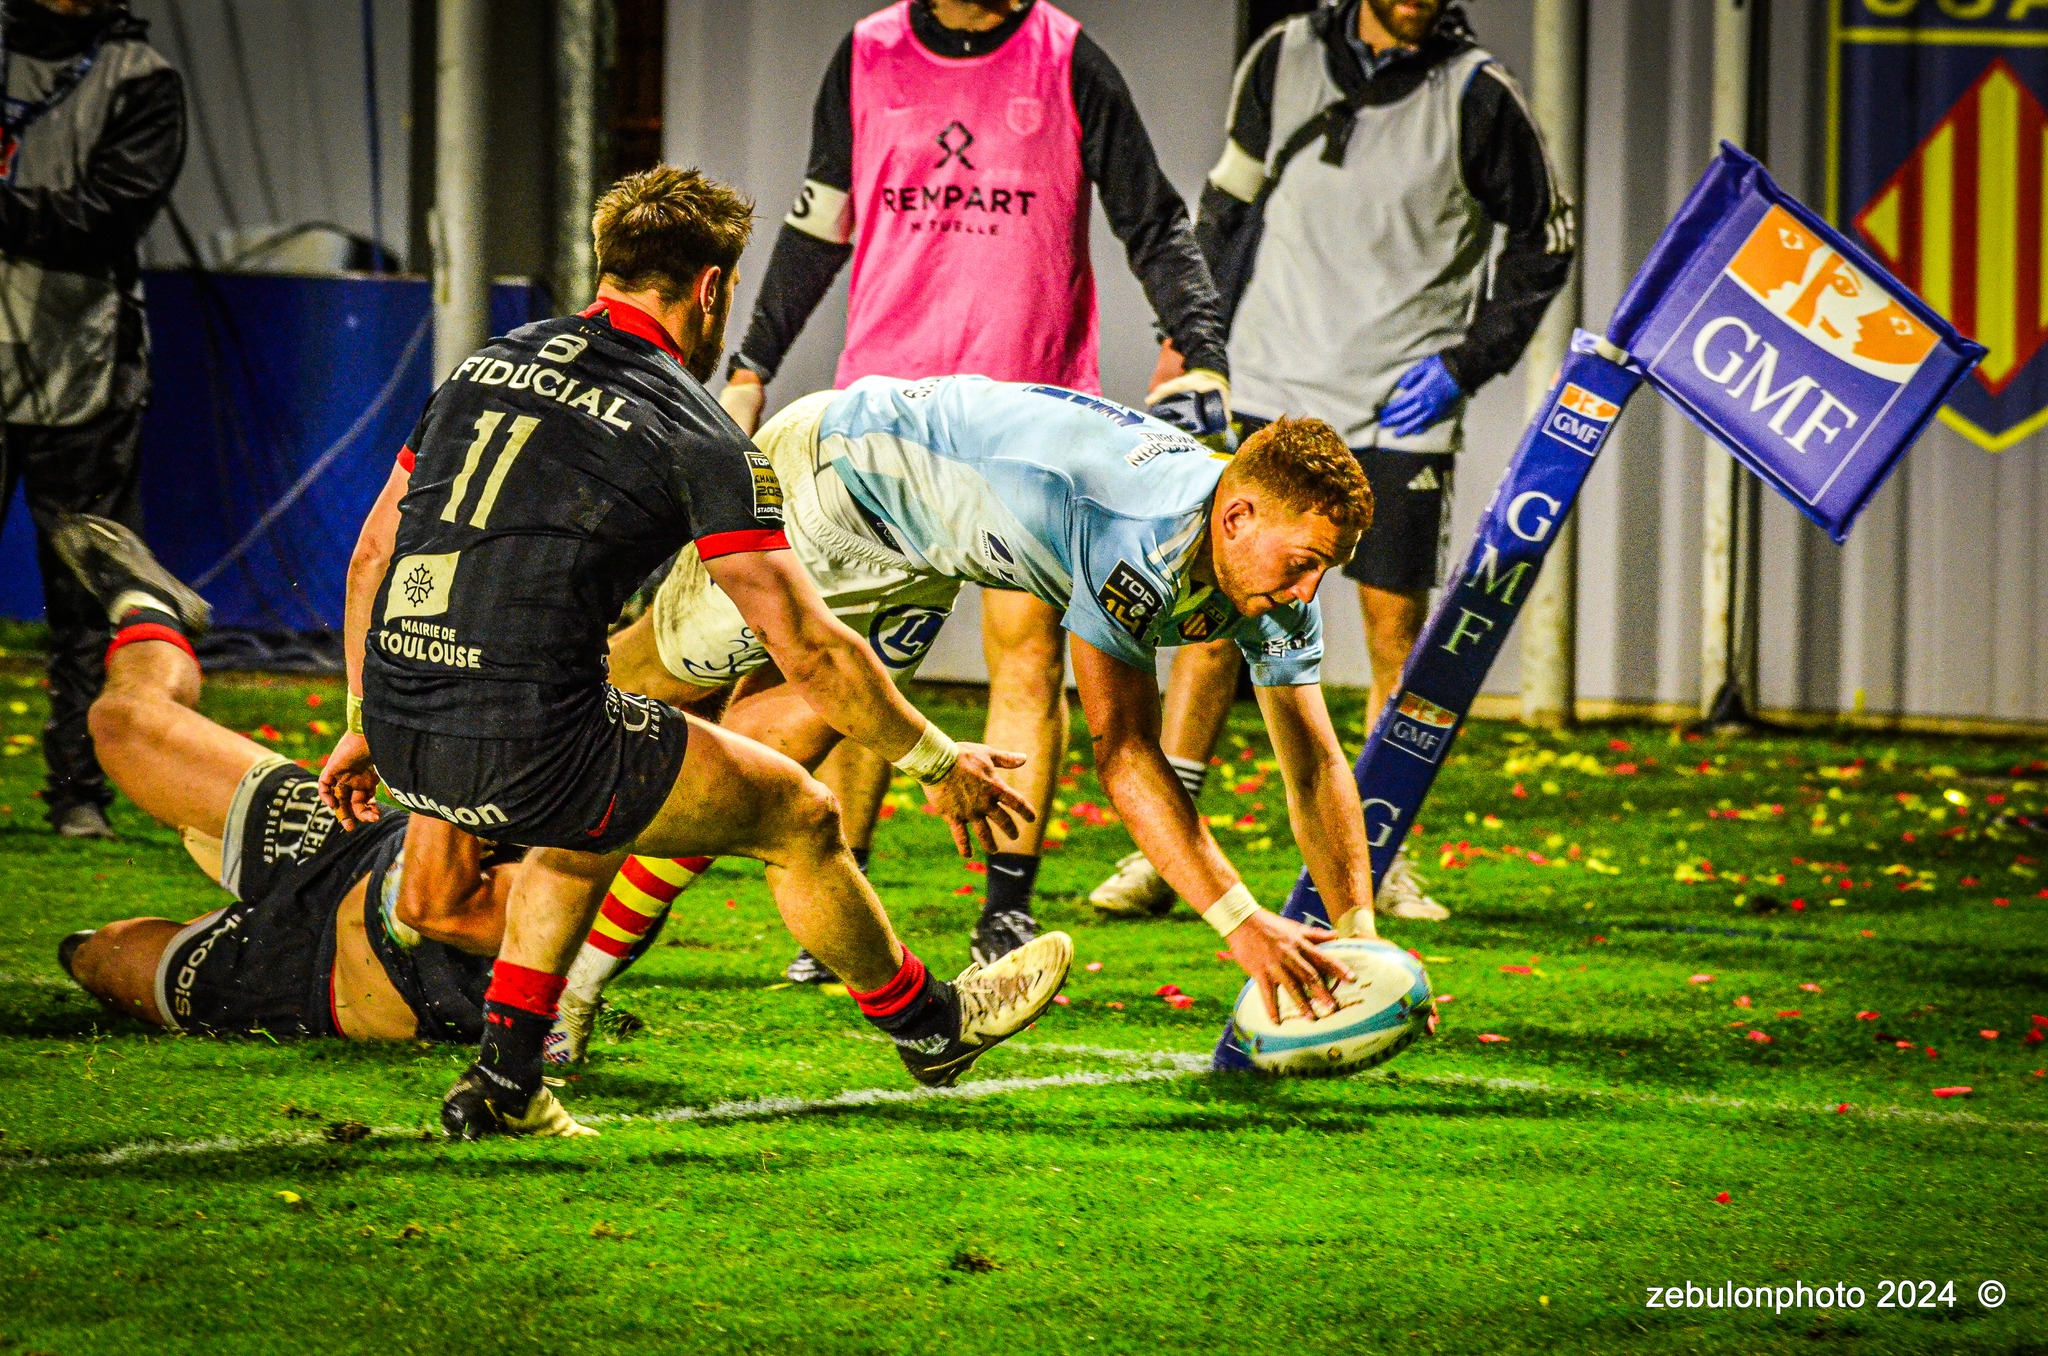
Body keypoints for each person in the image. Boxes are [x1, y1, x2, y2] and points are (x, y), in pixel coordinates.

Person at [318, 167, 1073, 1140]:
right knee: (798, 814)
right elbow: (803, 643)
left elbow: (375, 552)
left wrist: (362, 723)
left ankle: (506, 1082)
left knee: (590, 819)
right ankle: (930, 1024)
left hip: (406, 741)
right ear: (711, 289)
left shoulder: (482, 369)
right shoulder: (696, 428)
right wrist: (936, 758)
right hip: (532, 746)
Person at [717, 0, 1233, 977]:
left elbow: (1151, 219)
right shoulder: (866, 54)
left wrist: (1198, 352)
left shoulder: (1067, 55)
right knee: (856, 663)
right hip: (884, 428)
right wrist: (750, 365)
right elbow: (818, 222)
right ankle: (847, 894)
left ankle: (1004, 913)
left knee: (1025, 656)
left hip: (1030, 428)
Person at [606, 376, 1380, 1025]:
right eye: (1305, 562)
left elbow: (1312, 764)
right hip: (834, 481)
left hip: (918, 553)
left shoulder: (1266, 572)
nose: (1309, 591)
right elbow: (1125, 754)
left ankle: (569, 982)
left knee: (769, 770)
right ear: (1237, 518)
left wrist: (1359, 939)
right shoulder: (1141, 534)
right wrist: (1243, 926)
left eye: (1327, 569)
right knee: (636, 687)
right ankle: (497, 772)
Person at [1090, 0, 1574, 923]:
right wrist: (1185, 340)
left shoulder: (1481, 96)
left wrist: (1465, 366)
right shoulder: (1284, 55)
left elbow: (1545, 244)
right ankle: (1165, 848)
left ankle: (1382, 854)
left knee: (1396, 636)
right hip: (1267, 383)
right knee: (1208, 610)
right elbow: (1226, 208)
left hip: (1399, 408)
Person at [45, 513, 542, 1054]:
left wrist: (456, 704)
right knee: (122, 724)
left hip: (314, 984)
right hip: (355, 846)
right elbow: (374, 557)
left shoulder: (592, 836)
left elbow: (431, 908)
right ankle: (148, 606)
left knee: (96, 954)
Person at [0, 0, 184, 839]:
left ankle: (79, 792)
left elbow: (108, 218)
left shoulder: (141, 80)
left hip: (85, 373)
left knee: (89, 600)